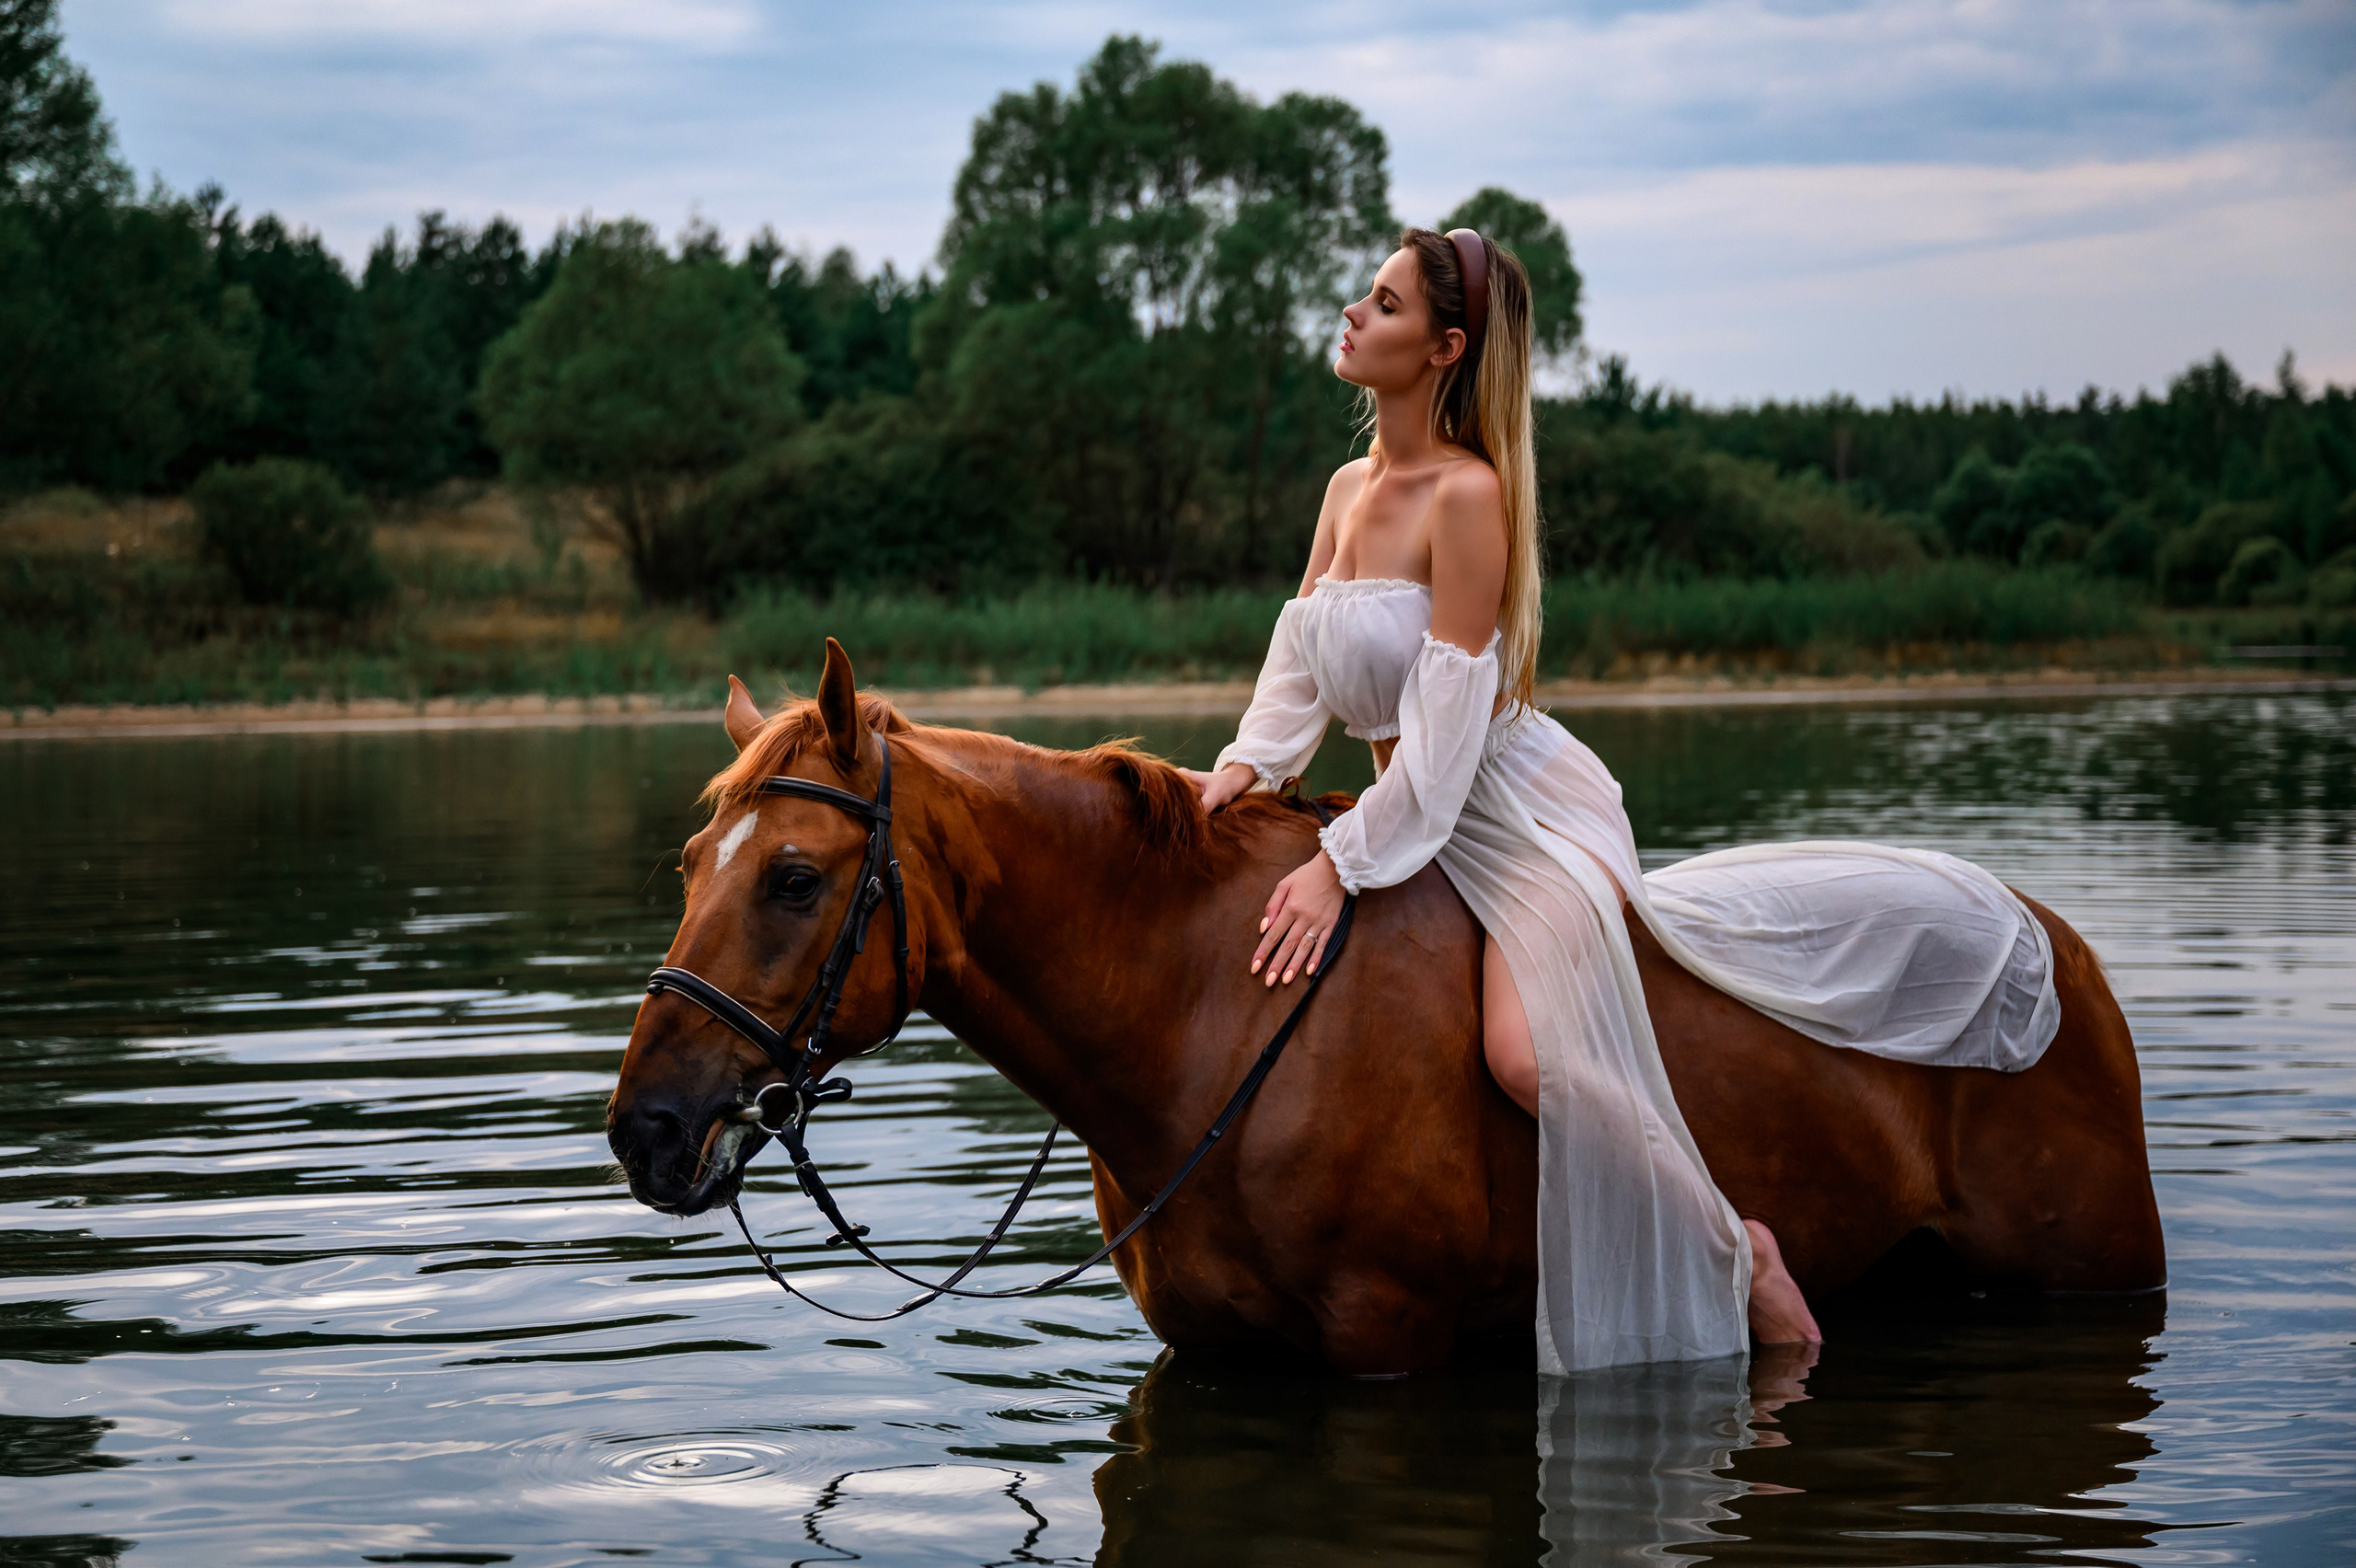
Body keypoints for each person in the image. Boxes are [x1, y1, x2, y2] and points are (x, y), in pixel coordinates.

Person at [1177, 227, 1819, 1367]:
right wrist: (1231, 783)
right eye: (1362, 298)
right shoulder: (1342, 489)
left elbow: (1445, 742)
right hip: (1409, 806)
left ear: (1444, 346)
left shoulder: (1468, 497)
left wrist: (1338, 865)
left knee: (1523, 1060)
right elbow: (1293, 681)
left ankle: (1738, 1251)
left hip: (1513, 817)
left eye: (1381, 305)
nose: (1351, 314)